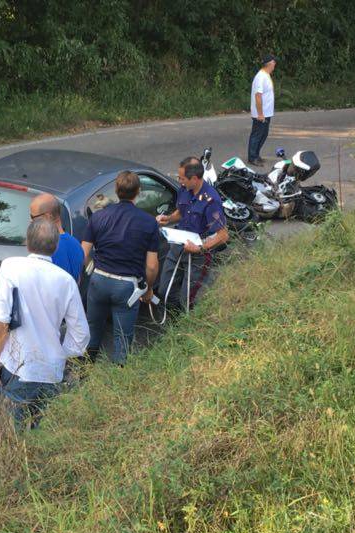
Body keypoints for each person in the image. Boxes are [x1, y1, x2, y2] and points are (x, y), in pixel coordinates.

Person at [0, 217, 89, 428]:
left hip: (17, 368)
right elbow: (81, 335)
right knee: (42, 433)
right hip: (51, 371)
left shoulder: (11, 267)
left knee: (14, 432)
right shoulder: (66, 281)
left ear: (27, 241)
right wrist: (60, 353)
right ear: (56, 246)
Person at [80, 171, 160, 365]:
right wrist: (148, 289)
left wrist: (92, 268)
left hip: (99, 280)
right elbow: (151, 265)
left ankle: (85, 370)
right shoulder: (149, 222)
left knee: (93, 326)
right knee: (123, 336)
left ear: (116, 191)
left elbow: (83, 252)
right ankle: (119, 374)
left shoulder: (99, 217)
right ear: (139, 191)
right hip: (127, 287)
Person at [155, 158, 230, 308]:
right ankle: (174, 318)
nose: (179, 180)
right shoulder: (184, 189)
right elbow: (182, 212)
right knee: (164, 291)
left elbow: (223, 235)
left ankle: (186, 323)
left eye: (182, 178)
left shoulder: (211, 200)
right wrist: (168, 218)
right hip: (178, 246)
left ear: (194, 179)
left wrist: (200, 248)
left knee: (188, 299)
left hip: (198, 254)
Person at [29, 193, 83, 283]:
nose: (30, 221)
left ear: (48, 217)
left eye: (33, 217)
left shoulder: (48, 249)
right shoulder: (76, 244)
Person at [247, 55, 277, 167]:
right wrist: (260, 113)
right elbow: (258, 96)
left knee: (263, 134)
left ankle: (256, 154)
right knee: (257, 134)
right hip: (261, 113)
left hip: (266, 112)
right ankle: (252, 157)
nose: (275, 64)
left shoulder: (266, 75)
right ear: (269, 63)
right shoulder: (260, 77)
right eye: (274, 62)